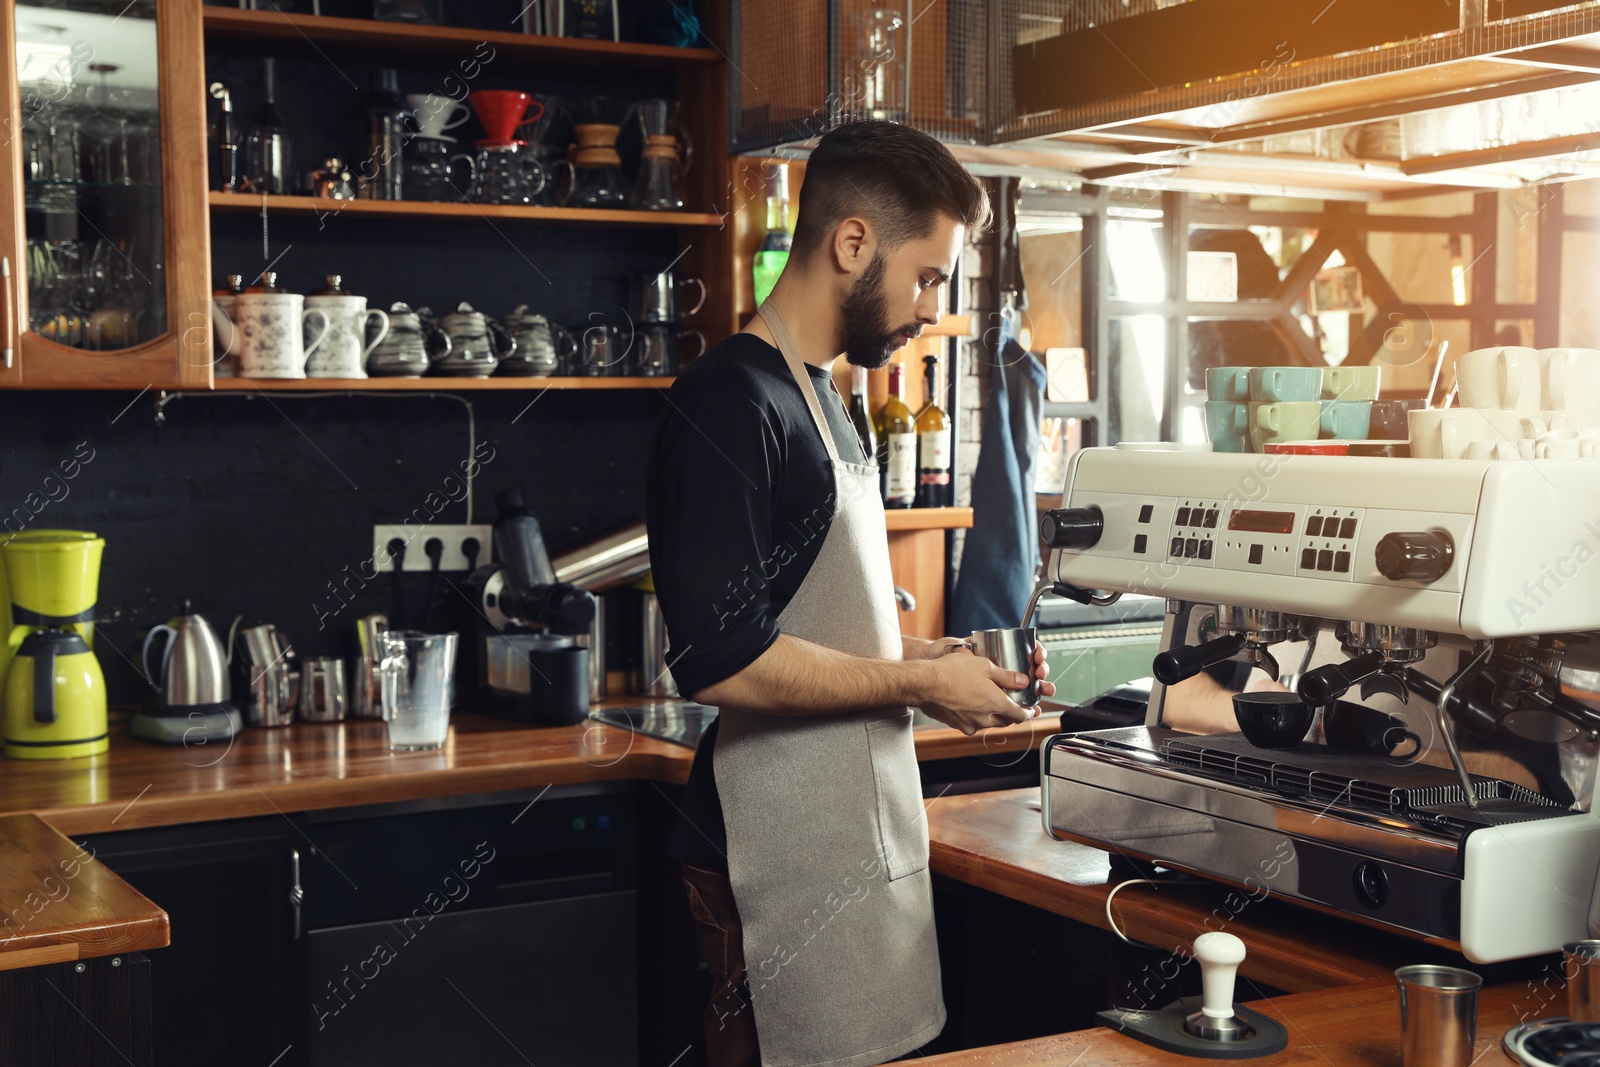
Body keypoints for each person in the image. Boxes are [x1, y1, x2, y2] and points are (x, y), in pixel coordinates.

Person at [645, 120, 1053, 1067]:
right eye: (926, 278)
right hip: (764, 849)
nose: (925, 307)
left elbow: (814, 620)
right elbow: (722, 655)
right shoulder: (729, 403)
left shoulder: (823, 394)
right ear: (853, 242)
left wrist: (937, 663)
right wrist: (914, 688)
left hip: (851, 836)